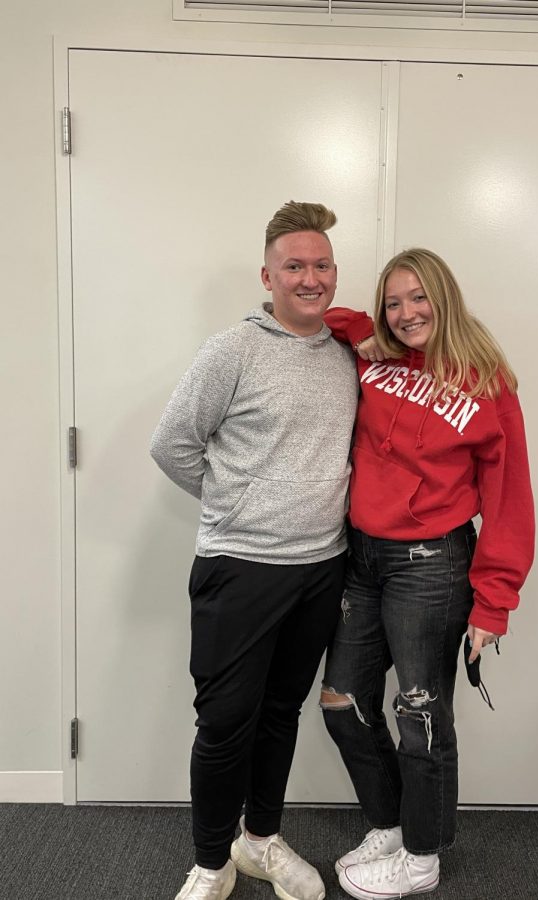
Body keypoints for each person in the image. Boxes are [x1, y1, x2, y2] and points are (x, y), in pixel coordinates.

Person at [150, 201, 358, 900]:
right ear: (266, 275)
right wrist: (234, 502)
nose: (309, 277)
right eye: (294, 265)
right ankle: (212, 862)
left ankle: (260, 840)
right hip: (239, 569)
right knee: (224, 723)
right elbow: (172, 443)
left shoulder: (343, 356)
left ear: (334, 272)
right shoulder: (231, 351)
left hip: (320, 569)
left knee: (279, 714)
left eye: (321, 264)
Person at [319, 248, 535, 900]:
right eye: (393, 301)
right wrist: (362, 327)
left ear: (444, 298)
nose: (406, 313)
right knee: (341, 704)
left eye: (418, 298)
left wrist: (492, 601)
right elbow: (331, 315)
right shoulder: (375, 359)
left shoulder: (485, 384)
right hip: (362, 560)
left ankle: (422, 856)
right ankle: (389, 821)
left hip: (431, 566)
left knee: (420, 715)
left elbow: (508, 496)